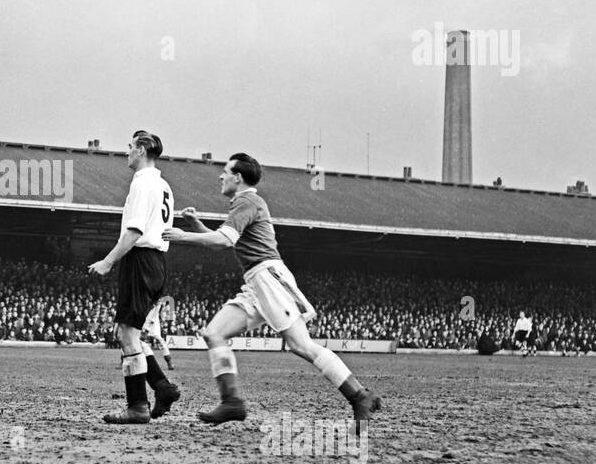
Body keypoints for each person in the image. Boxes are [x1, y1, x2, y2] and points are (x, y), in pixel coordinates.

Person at [163, 153, 380, 433]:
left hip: (269, 278)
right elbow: (227, 241)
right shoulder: (246, 203)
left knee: (302, 345)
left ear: (238, 177)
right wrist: (197, 228)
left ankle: (360, 396)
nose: (220, 176)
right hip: (255, 281)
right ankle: (232, 402)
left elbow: (223, 240)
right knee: (214, 333)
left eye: (225, 171)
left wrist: (182, 236)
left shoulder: (247, 201)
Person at [88, 130, 181, 424]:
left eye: (129, 147)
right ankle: (162, 388)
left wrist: (109, 260)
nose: (126, 152)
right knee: (134, 335)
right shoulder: (164, 185)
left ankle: (138, 406)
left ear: (141, 150)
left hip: (139, 260)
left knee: (126, 335)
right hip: (157, 262)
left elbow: (135, 231)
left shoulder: (142, 184)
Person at [142, 296, 175, 370]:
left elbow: (153, 317)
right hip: (143, 322)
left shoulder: (157, 303)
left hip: (154, 325)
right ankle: (124, 360)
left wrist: (146, 330)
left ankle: (169, 361)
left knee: (160, 341)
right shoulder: (143, 299)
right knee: (136, 341)